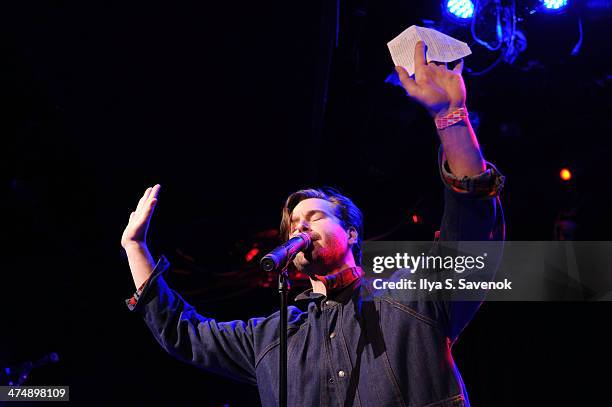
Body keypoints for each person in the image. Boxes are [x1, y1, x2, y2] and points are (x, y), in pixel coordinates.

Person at [121, 41, 505, 407]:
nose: (300, 229)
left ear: (352, 234)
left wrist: (450, 118)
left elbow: (470, 241)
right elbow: (183, 334)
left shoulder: (408, 296)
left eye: (315, 216)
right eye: (293, 226)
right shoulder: (270, 338)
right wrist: (135, 248)